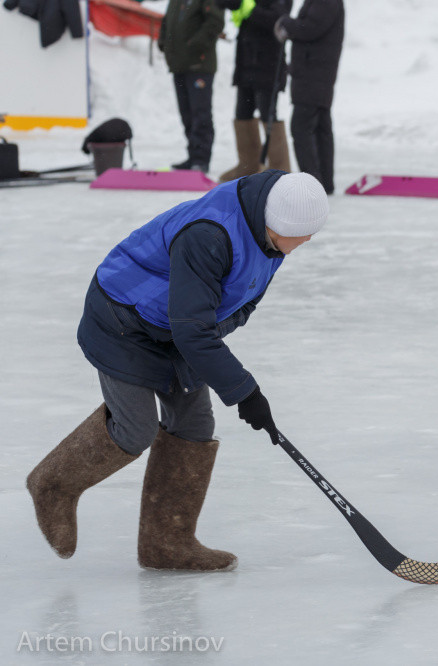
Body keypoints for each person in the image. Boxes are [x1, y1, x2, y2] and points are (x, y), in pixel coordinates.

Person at [26, 171, 329, 571]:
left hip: (177, 327)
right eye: (303, 234)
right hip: (123, 318)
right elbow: (194, 329)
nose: (308, 241)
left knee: (194, 425)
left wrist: (205, 340)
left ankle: (167, 543)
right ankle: (53, 485)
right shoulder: (210, 236)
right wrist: (244, 391)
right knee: (135, 429)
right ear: (278, 224)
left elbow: (241, 303)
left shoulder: (269, 237)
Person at [215, 0, 293, 181]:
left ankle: (280, 169)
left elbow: (277, 19)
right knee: (242, 115)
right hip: (246, 64)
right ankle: (248, 166)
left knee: (268, 115)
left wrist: (251, 10)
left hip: (268, 66)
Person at [273, 0, 345, 195]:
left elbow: (310, 28)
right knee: (320, 128)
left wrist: (287, 23)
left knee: (301, 127)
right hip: (314, 74)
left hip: (314, 75)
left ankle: (313, 183)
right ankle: (323, 183)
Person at [158, 0, 224, 172]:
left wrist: (194, 45)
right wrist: (164, 42)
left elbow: (215, 22)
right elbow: (168, 20)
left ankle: (201, 160)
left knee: (200, 113)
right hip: (179, 65)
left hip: (199, 66)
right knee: (186, 114)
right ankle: (193, 156)